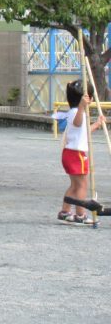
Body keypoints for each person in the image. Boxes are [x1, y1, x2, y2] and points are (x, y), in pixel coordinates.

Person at [60, 80, 105, 224]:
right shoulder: (77, 113)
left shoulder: (74, 112)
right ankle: (81, 214)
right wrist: (81, 107)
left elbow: (83, 133)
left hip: (70, 153)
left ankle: (65, 211)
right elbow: (78, 123)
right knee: (82, 185)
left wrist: (97, 124)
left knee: (74, 185)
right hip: (76, 154)